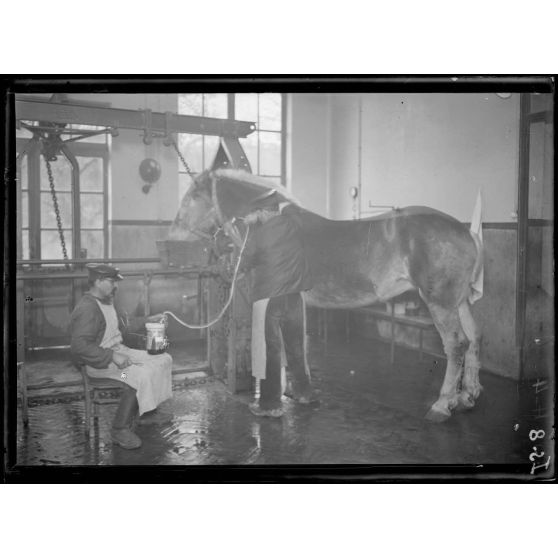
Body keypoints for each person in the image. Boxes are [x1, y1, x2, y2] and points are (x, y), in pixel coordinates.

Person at [69, 263, 173, 449]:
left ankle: (146, 411)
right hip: (101, 367)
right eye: (111, 281)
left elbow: (122, 328)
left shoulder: (106, 302)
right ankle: (119, 429)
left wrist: (148, 320)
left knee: (163, 359)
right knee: (136, 376)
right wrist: (112, 356)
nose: (116, 286)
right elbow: (79, 346)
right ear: (98, 281)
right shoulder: (87, 308)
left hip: (120, 353)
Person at [240, 189, 315, 418]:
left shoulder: (257, 235)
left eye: (257, 212)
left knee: (270, 351)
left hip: (269, 299)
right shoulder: (294, 226)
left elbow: (243, 263)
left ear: (262, 212)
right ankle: (304, 393)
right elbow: (299, 215)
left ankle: (270, 404)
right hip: (295, 297)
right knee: (296, 348)